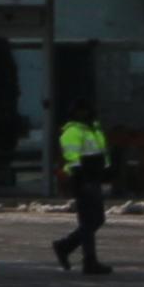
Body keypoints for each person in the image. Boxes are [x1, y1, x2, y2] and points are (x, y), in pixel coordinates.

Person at [50, 113, 114, 277]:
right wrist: (77, 177)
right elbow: (71, 156)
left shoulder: (93, 129)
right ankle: (88, 260)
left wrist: (105, 172)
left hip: (93, 178)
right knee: (88, 220)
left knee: (96, 219)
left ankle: (65, 246)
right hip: (82, 180)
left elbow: (101, 153)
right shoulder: (74, 131)